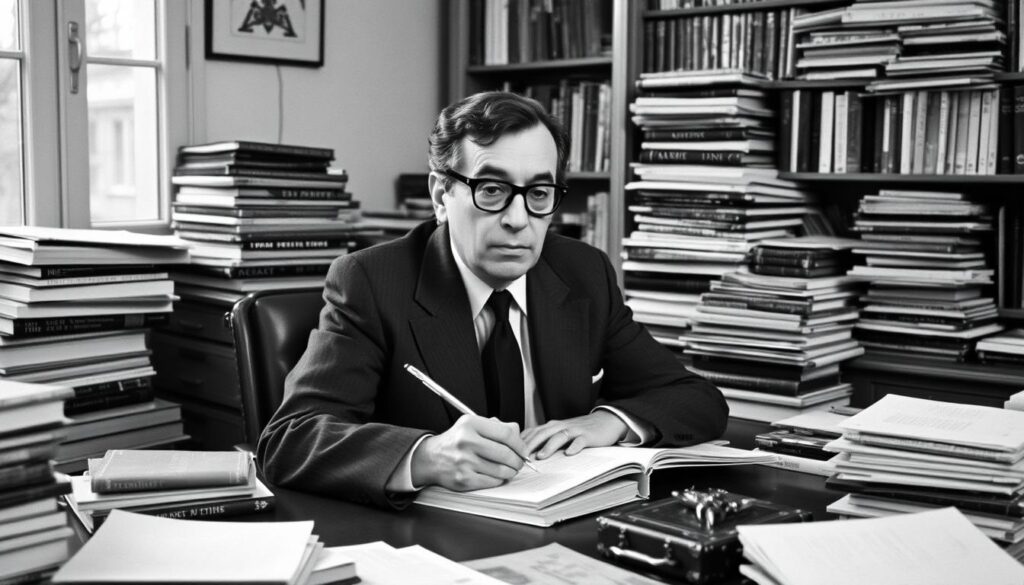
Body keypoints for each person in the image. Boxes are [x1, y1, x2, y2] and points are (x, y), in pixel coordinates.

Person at [257, 91, 728, 509]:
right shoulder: (372, 281)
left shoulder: (584, 273)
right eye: (493, 190)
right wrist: (426, 457)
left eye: (539, 193)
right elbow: (289, 440)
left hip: (571, 523)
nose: (519, 220)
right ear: (442, 195)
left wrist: (606, 422)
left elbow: (697, 399)